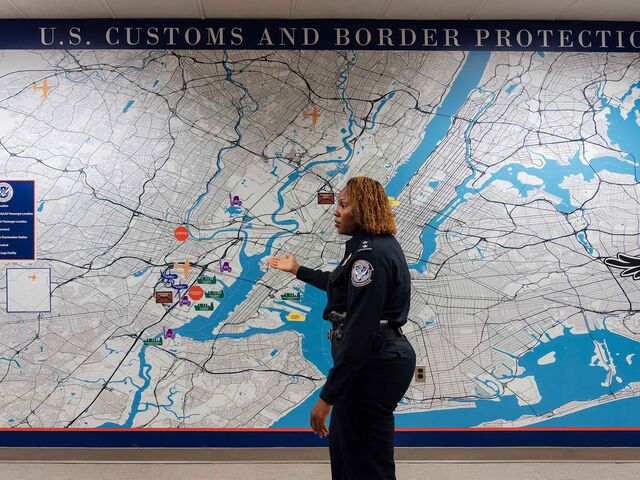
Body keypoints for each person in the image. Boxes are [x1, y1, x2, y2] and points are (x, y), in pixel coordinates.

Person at [267, 176, 416, 479]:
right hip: (377, 357)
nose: (336, 210)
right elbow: (339, 286)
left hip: (374, 361)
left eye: (344, 205)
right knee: (349, 453)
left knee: (367, 463)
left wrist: (327, 398)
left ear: (362, 210)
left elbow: (359, 333)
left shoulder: (369, 256)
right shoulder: (370, 247)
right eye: (337, 203)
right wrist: (297, 269)